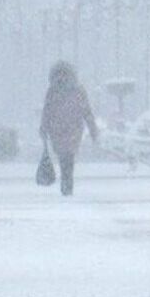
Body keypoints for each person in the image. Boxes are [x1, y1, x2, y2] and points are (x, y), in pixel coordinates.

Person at [38, 61, 99, 196]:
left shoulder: (53, 90)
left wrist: (44, 127)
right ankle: (67, 184)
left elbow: (47, 111)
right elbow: (87, 111)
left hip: (57, 129)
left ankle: (66, 184)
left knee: (63, 157)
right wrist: (93, 129)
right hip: (73, 130)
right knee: (68, 157)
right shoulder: (78, 90)